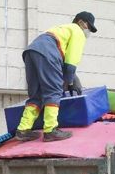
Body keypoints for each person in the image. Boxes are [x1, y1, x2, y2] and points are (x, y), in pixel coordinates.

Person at [16, 11, 97, 142]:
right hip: (48, 52)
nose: (89, 32)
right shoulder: (77, 31)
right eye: (89, 27)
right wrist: (69, 82)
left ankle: (23, 130)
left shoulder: (61, 28)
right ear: (81, 22)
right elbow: (71, 62)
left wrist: (70, 78)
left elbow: (64, 63)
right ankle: (50, 130)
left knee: (36, 95)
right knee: (54, 91)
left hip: (31, 51)